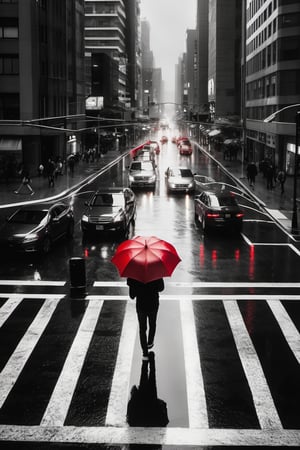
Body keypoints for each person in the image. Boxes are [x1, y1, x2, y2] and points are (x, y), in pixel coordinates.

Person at [127, 277, 164, 360]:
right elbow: (161, 288)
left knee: (142, 329)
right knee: (152, 323)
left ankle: (145, 353)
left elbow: (132, 296)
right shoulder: (155, 271)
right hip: (153, 303)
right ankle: (150, 342)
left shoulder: (133, 275)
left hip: (141, 305)